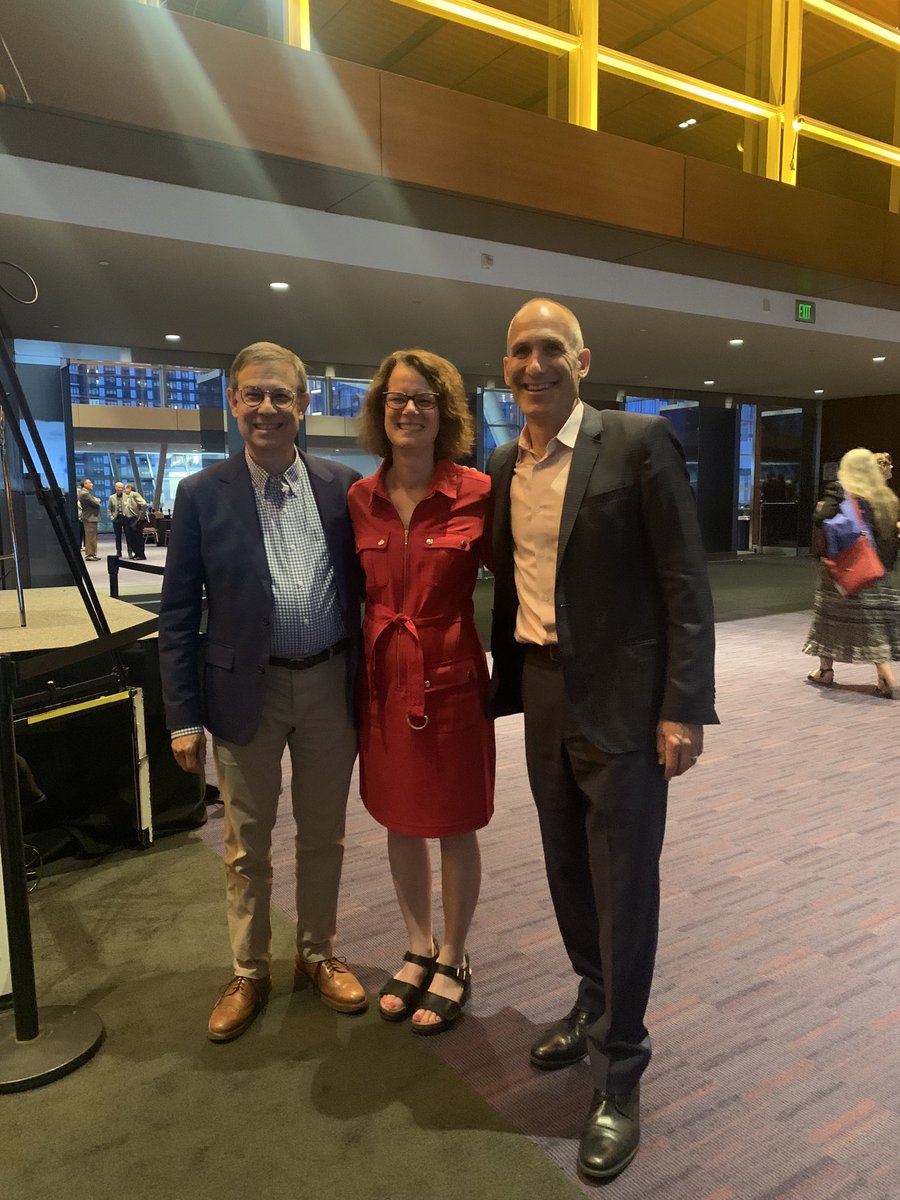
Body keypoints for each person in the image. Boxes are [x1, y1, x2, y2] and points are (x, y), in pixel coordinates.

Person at [487, 298, 717, 1182]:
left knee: (624, 882)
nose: (534, 364)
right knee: (564, 867)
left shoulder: (636, 442)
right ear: (505, 366)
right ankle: (592, 1001)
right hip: (542, 691)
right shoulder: (507, 460)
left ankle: (619, 1072)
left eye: (551, 349)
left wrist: (682, 706)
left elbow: (684, 583)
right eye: (519, 351)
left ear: (582, 361)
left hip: (626, 703)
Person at [158, 340, 366, 1043]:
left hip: (330, 682)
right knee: (247, 843)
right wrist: (183, 716)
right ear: (233, 401)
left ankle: (317, 954)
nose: (267, 408)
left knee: (324, 834)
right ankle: (249, 969)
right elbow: (179, 614)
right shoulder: (199, 494)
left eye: (282, 396)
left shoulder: (342, 487)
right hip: (245, 691)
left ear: (304, 406)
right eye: (254, 394)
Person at [349, 350, 494, 1035]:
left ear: (446, 414)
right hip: (384, 682)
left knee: (455, 821)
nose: (409, 411)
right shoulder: (359, 498)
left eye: (424, 400)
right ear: (381, 412)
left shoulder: (477, 492)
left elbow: (530, 574)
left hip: (454, 681)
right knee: (400, 819)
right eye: (396, 400)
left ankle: (456, 956)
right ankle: (417, 944)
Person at [804, 447, 900, 697]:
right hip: (876, 570)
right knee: (874, 623)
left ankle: (829, 672)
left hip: (845, 569)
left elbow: (820, 516)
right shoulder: (883, 495)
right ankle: (880, 673)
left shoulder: (840, 489)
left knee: (828, 618)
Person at [77, 478, 101, 560]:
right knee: (90, 537)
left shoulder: (86, 493)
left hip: (90, 517)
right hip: (89, 517)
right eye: (90, 483)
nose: (92, 484)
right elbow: (96, 503)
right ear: (85, 484)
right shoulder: (85, 494)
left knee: (92, 537)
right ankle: (90, 555)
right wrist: (97, 500)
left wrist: (96, 499)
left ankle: (92, 554)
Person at [123, 483, 148, 560]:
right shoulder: (128, 496)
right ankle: (137, 553)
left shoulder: (134, 494)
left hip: (135, 519)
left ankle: (141, 554)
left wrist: (141, 516)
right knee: (131, 538)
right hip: (129, 519)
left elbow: (144, 504)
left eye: (126, 488)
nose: (124, 490)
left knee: (137, 537)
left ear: (130, 488)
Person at [107, 481, 129, 556]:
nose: (120, 489)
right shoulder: (111, 497)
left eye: (121, 488)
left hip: (126, 518)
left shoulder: (127, 496)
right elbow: (109, 509)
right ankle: (119, 552)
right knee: (118, 536)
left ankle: (130, 552)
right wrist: (111, 517)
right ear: (116, 488)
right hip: (116, 518)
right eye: (119, 487)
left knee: (128, 535)